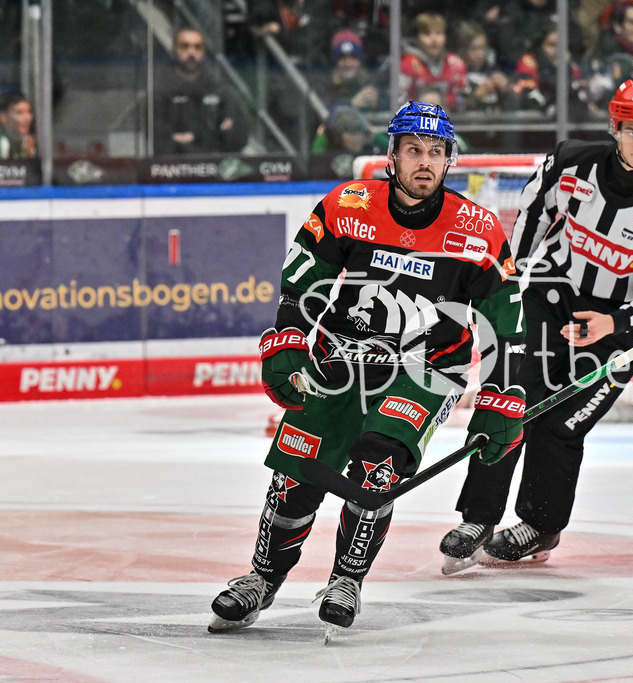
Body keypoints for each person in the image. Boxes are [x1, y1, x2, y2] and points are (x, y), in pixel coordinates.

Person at [208, 101, 525, 637]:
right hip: (341, 357)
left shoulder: (478, 229)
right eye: (413, 150)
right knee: (295, 478)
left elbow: (507, 324)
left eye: (436, 152)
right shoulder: (348, 204)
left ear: (449, 160)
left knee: (377, 466)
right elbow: (302, 282)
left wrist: (503, 396)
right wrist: (286, 341)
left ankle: (346, 579)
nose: (425, 161)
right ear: (392, 155)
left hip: (428, 369)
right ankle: (262, 580)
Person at [439, 80, 633, 574]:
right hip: (551, 299)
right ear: (614, 128)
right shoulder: (569, 162)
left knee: (560, 426)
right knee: (507, 398)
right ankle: (478, 517)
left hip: (617, 334)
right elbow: (531, 216)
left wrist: (614, 323)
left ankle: (540, 524)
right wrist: (515, 279)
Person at [153, 27, 249, 156]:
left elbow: (239, 137)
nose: (191, 52)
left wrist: (193, 137)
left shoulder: (220, 89)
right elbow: (159, 140)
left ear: (203, 52)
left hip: (213, 166)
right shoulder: (161, 90)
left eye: (197, 47)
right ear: (174, 50)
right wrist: (214, 134)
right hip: (174, 168)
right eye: (184, 46)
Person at [399, 12, 467, 111]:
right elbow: (399, 100)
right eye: (427, 34)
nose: (434, 39)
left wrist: (444, 104)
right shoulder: (408, 64)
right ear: (416, 38)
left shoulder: (456, 64)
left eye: (439, 33)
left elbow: (464, 99)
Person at [315, 30, 382, 113]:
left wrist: (377, 102)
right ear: (335, 61)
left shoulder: (370, 82)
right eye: (342, 58)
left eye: (353, 57)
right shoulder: (323, 87)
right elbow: (324, 112)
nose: (348, 63)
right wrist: (352, 103)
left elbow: (390, 106)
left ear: (360, 61)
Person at [0, 91, 35, 159]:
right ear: (3, 117)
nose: (27, 118)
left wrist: (30, 154)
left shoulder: (33, 143)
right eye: (19, 113)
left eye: (29, 112)